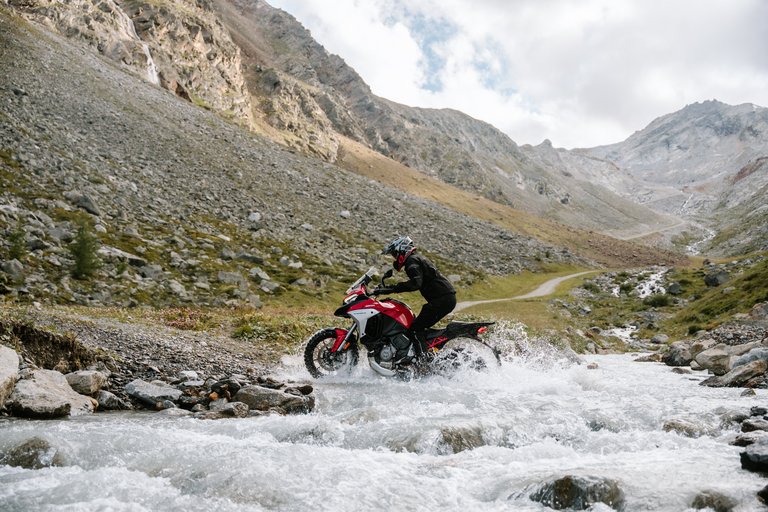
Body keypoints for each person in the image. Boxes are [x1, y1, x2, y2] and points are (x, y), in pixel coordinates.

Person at [375, 235, 456, 361]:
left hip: (443, 300)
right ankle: (425, 352)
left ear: (402, 250)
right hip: (444, 298)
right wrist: (390, 289)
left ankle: (422, 361)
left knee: (415, 329)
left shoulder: (411, 261)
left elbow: (415, 283)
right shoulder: (415, 259)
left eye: (395, 254)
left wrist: (391, 289)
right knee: (418, 326)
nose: (395, 258)